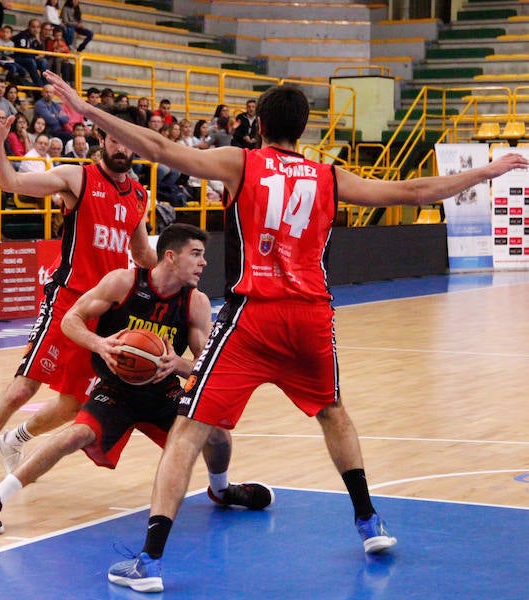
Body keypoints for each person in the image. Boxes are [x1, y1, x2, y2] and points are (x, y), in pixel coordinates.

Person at [44, 70, 529, 592]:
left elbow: (160, 147)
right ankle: (368, 522)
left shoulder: (242, 163)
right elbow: (413, 190)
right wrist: (488, 171)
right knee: (333, 412)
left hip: (255, 314)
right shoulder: (329, 176)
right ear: (304, 129)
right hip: (312, 314)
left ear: (257, 124)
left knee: (188, 431)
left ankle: (151, 562)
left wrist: (86, 109)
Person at [0, 224, 273, 535]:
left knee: (217, 432)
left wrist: (180, 364)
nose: (203, 262)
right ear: (170, 257)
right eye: (196, 254)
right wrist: (99, 343)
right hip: (116, 390)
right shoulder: (123, 282)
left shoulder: (195, 303)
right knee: (72, 437)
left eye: (203, 256)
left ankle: (221, 490)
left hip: (163, 393)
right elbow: (71, 319)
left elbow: (205, 366)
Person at [0, 106, 158, 511]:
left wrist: (171, 274)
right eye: (115, 139)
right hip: (67, 299)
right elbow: (11, 181)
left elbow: (141, 254)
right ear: (102, 139)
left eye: (128, 140)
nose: (122, 147)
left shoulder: (139, 195)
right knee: (22, 387)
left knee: (73, 405)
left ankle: (14, 441)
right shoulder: (77, 177)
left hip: (104, 313)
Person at [12, 19, 48, 91]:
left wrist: (38, 41)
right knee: (31, 61)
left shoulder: (37, 37)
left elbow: (42, 52)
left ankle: (46, 85)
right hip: (18, 58)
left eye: (38, 27)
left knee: (43, 61)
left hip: (30, 58)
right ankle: (40, 86)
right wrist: (35, 56)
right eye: (33, 27)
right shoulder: (23, 35)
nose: (36, 29)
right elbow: (22, 53)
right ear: (29, 27)